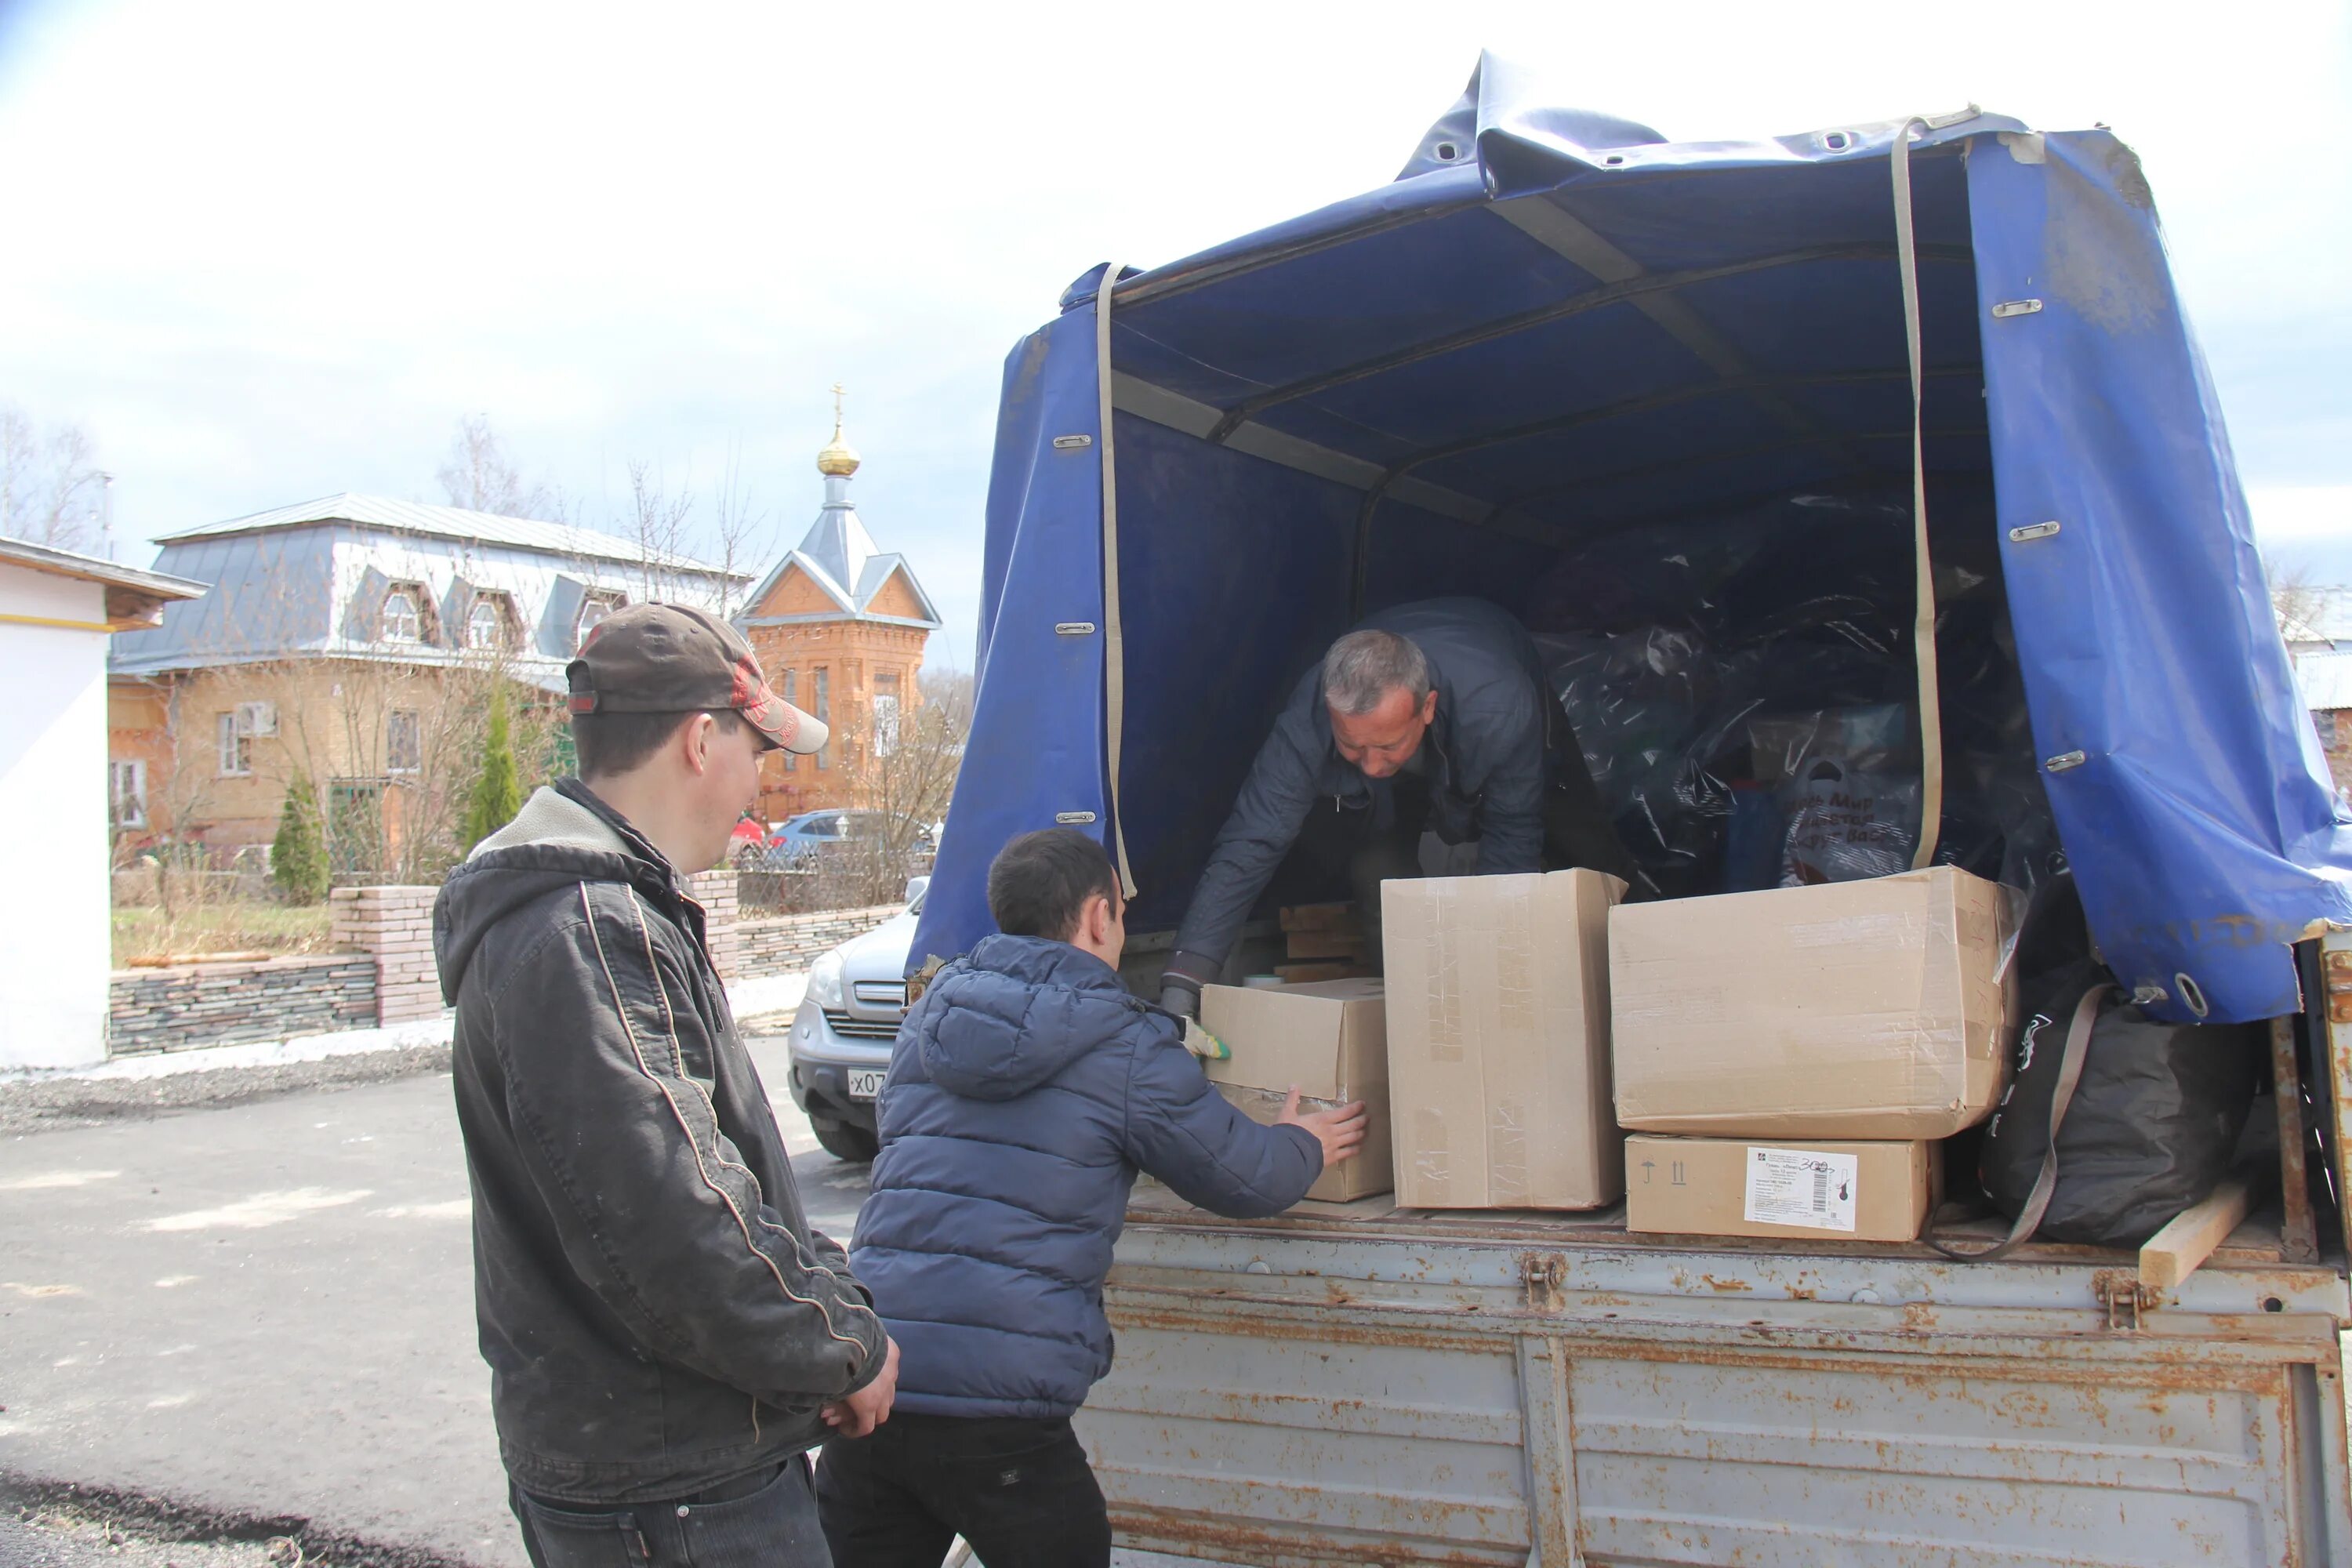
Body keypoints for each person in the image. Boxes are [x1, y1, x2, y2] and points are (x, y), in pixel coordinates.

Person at [435, 604, 894, 1568]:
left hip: (654, 1469)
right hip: (675, 1486)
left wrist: (832, 1300)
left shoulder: (598, 911)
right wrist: (842, 1346)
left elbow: (725, 1166)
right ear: (699, 740)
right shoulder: (587, 930)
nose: (762, 778)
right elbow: (676, 1225)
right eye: (758, 746)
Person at [817, 827, 1367, 1567]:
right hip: (1001, 1418)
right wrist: (1305, 1142)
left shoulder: (927, 1022)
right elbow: (1242, 1177)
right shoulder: (1126, 1044)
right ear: (1100, 918)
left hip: (873, 1384)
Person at [1157, 595, 1632, 1018]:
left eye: (1386, 746)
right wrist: (1184, 981)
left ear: (1426, 708)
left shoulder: (1501, 707)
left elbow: (1512, 841)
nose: (1371, 767)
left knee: (1579, 839)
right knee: (1376, 869)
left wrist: (1492, 992)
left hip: (1493, 666)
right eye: (1351, 746)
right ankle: (1404, 1017)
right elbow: (1253, 837)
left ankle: (1634, 962)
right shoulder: (1313, 712)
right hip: (1426, 722)